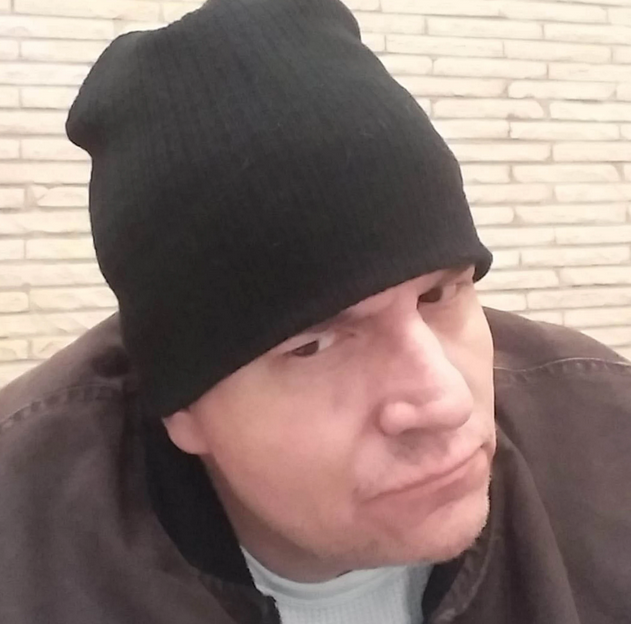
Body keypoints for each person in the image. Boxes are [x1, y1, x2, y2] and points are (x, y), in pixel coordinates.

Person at [1, 0, 630, 622]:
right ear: (182, 409)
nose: (445, 401)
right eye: (314, 344)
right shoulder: (27, 560)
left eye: (438, 295)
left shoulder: (607, 440)